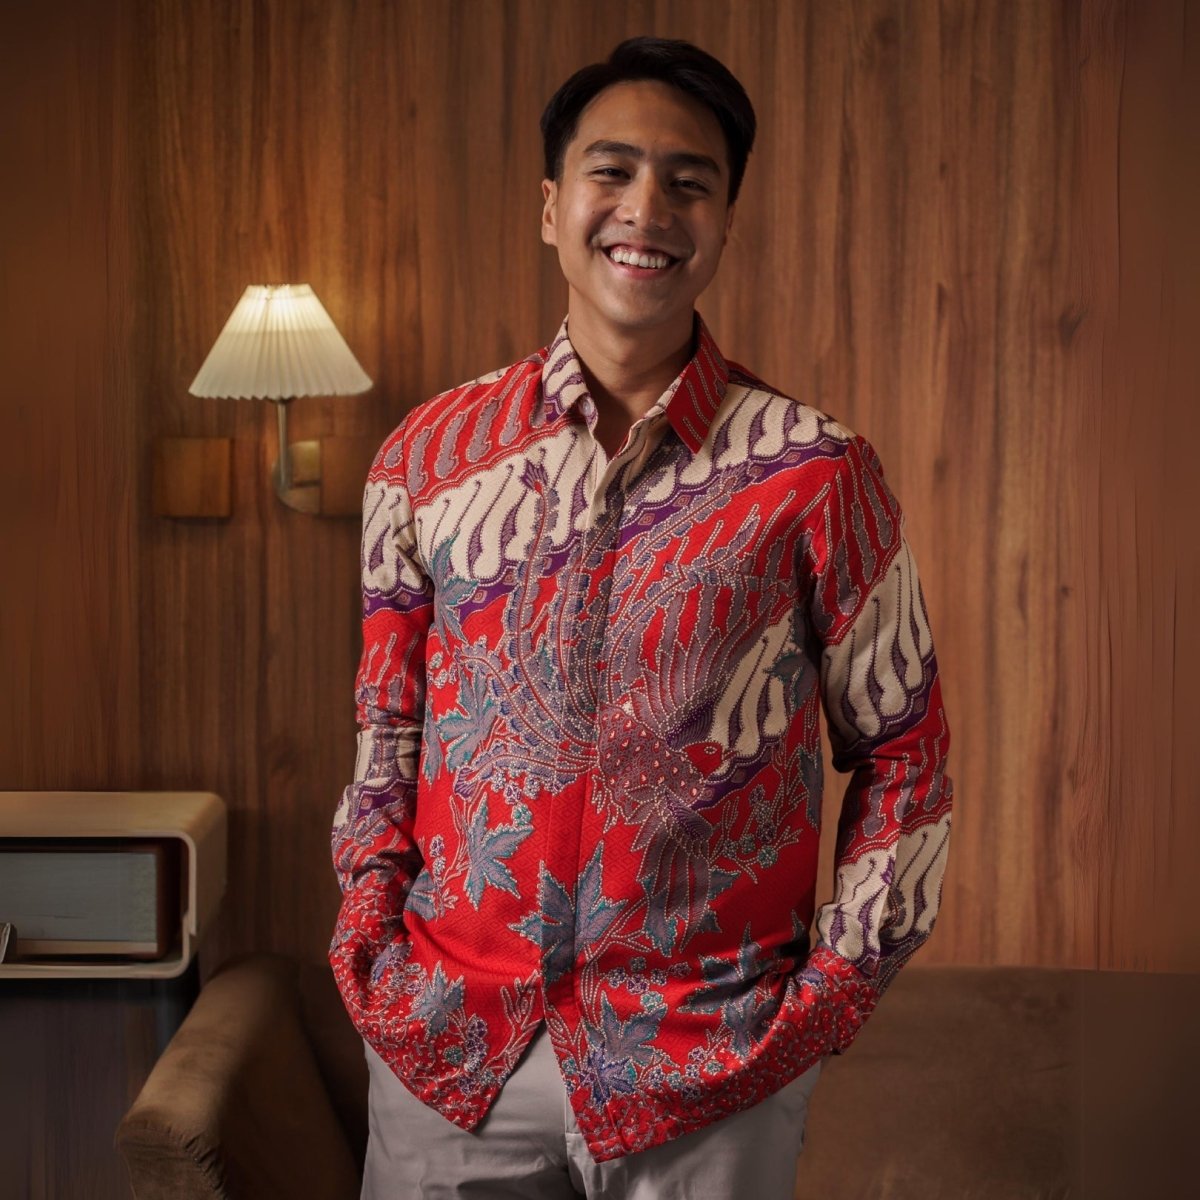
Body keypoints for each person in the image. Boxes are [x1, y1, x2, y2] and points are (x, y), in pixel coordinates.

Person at [331, 35, 953, 1200]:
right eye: (611, 171)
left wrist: (823, 1005)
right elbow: (388, 730)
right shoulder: (424, 458)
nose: (647, 208)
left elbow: (905, 755)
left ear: (726, 222)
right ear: (551, 207)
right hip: (451, 1049)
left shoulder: (817, 474)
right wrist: (371, 943)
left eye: (689, 180)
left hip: (710, 1059)